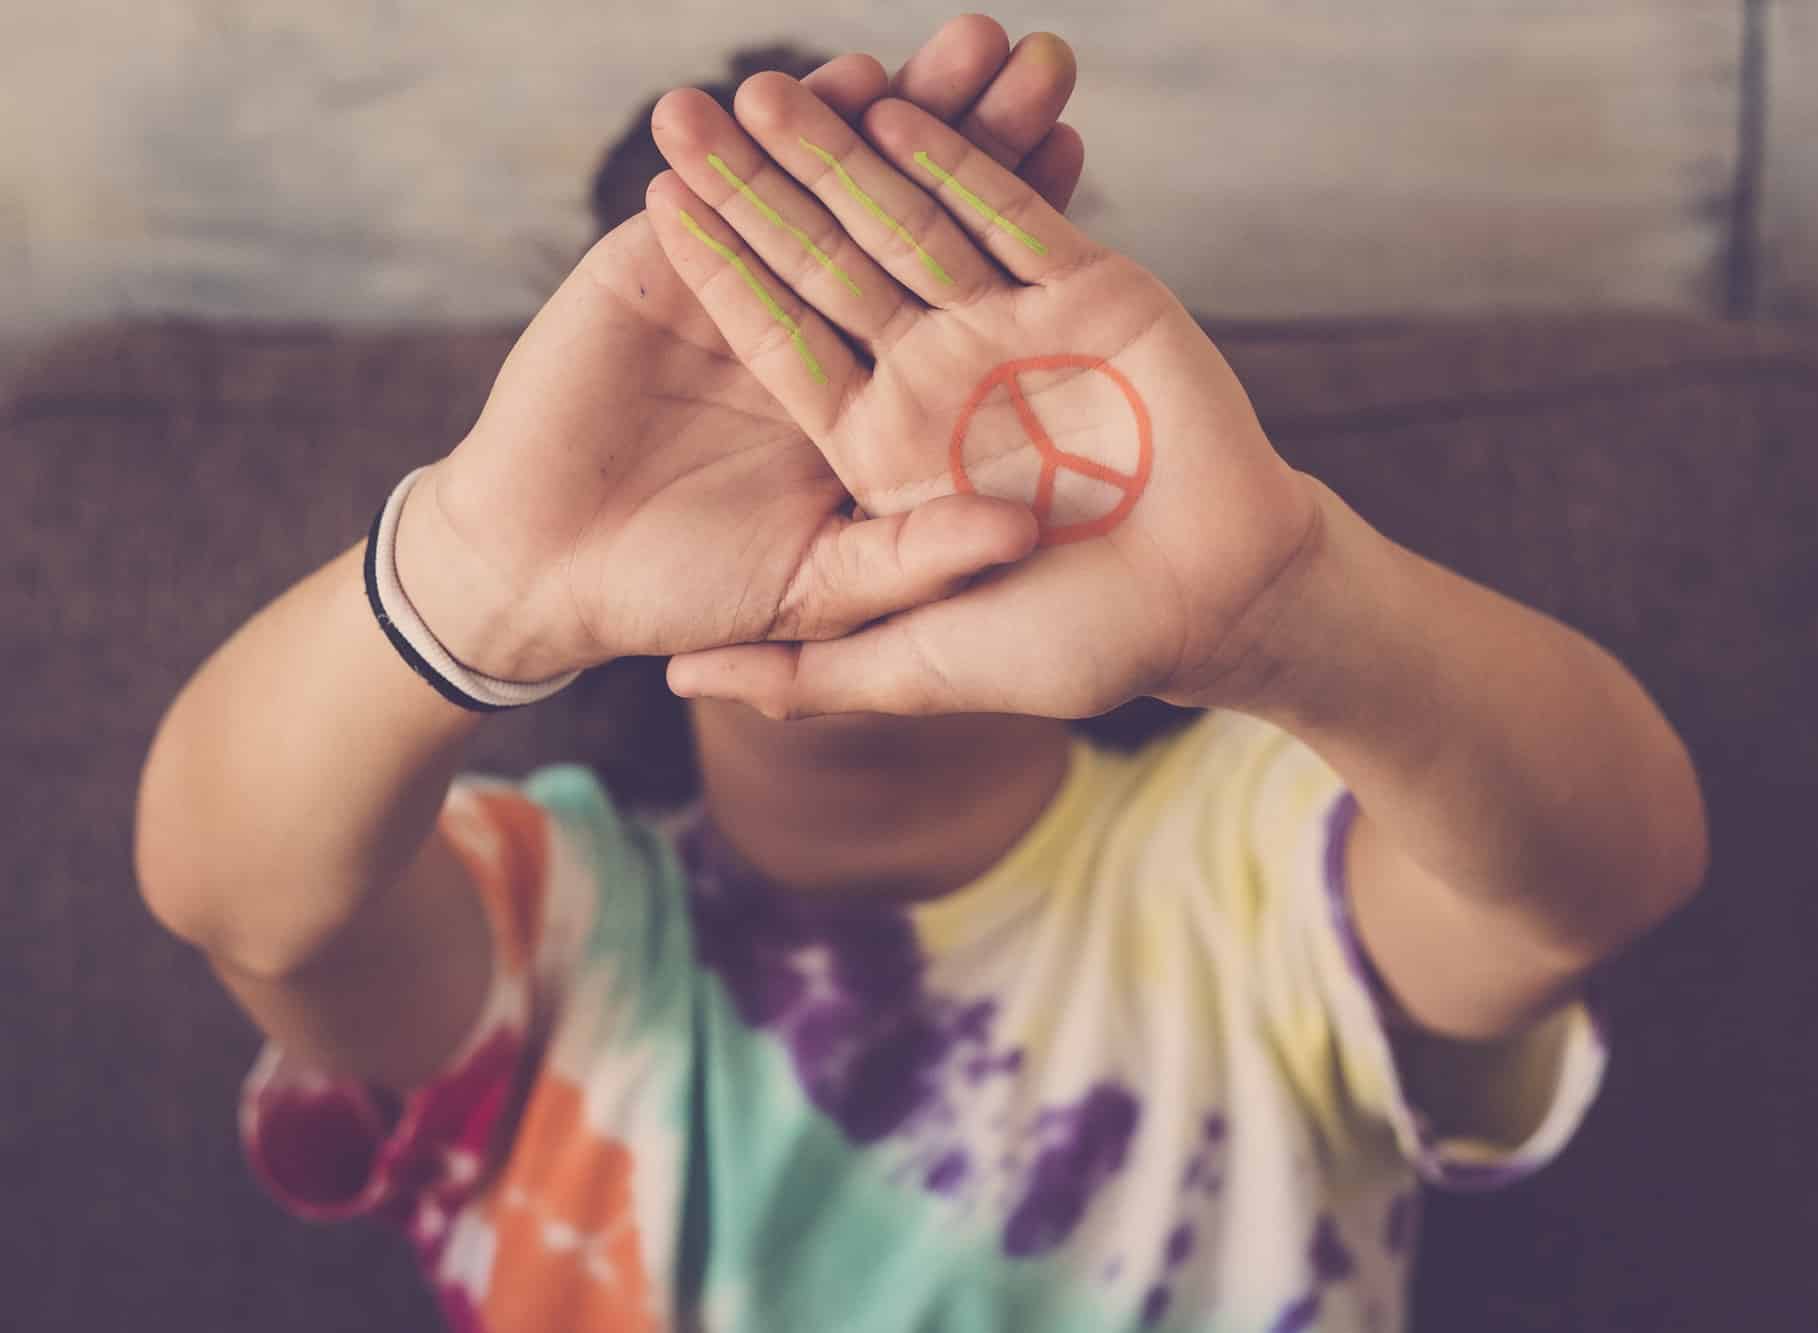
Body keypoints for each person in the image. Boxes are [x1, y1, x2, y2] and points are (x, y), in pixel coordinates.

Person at [134, 14, 1708, 1333]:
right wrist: (480, 571)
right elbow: (237, 892)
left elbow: (1602, 875)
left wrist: (1291, 605)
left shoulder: (1249, 858)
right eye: (753, 374)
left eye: (895, 356)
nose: (836, 458)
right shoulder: (557, 920)